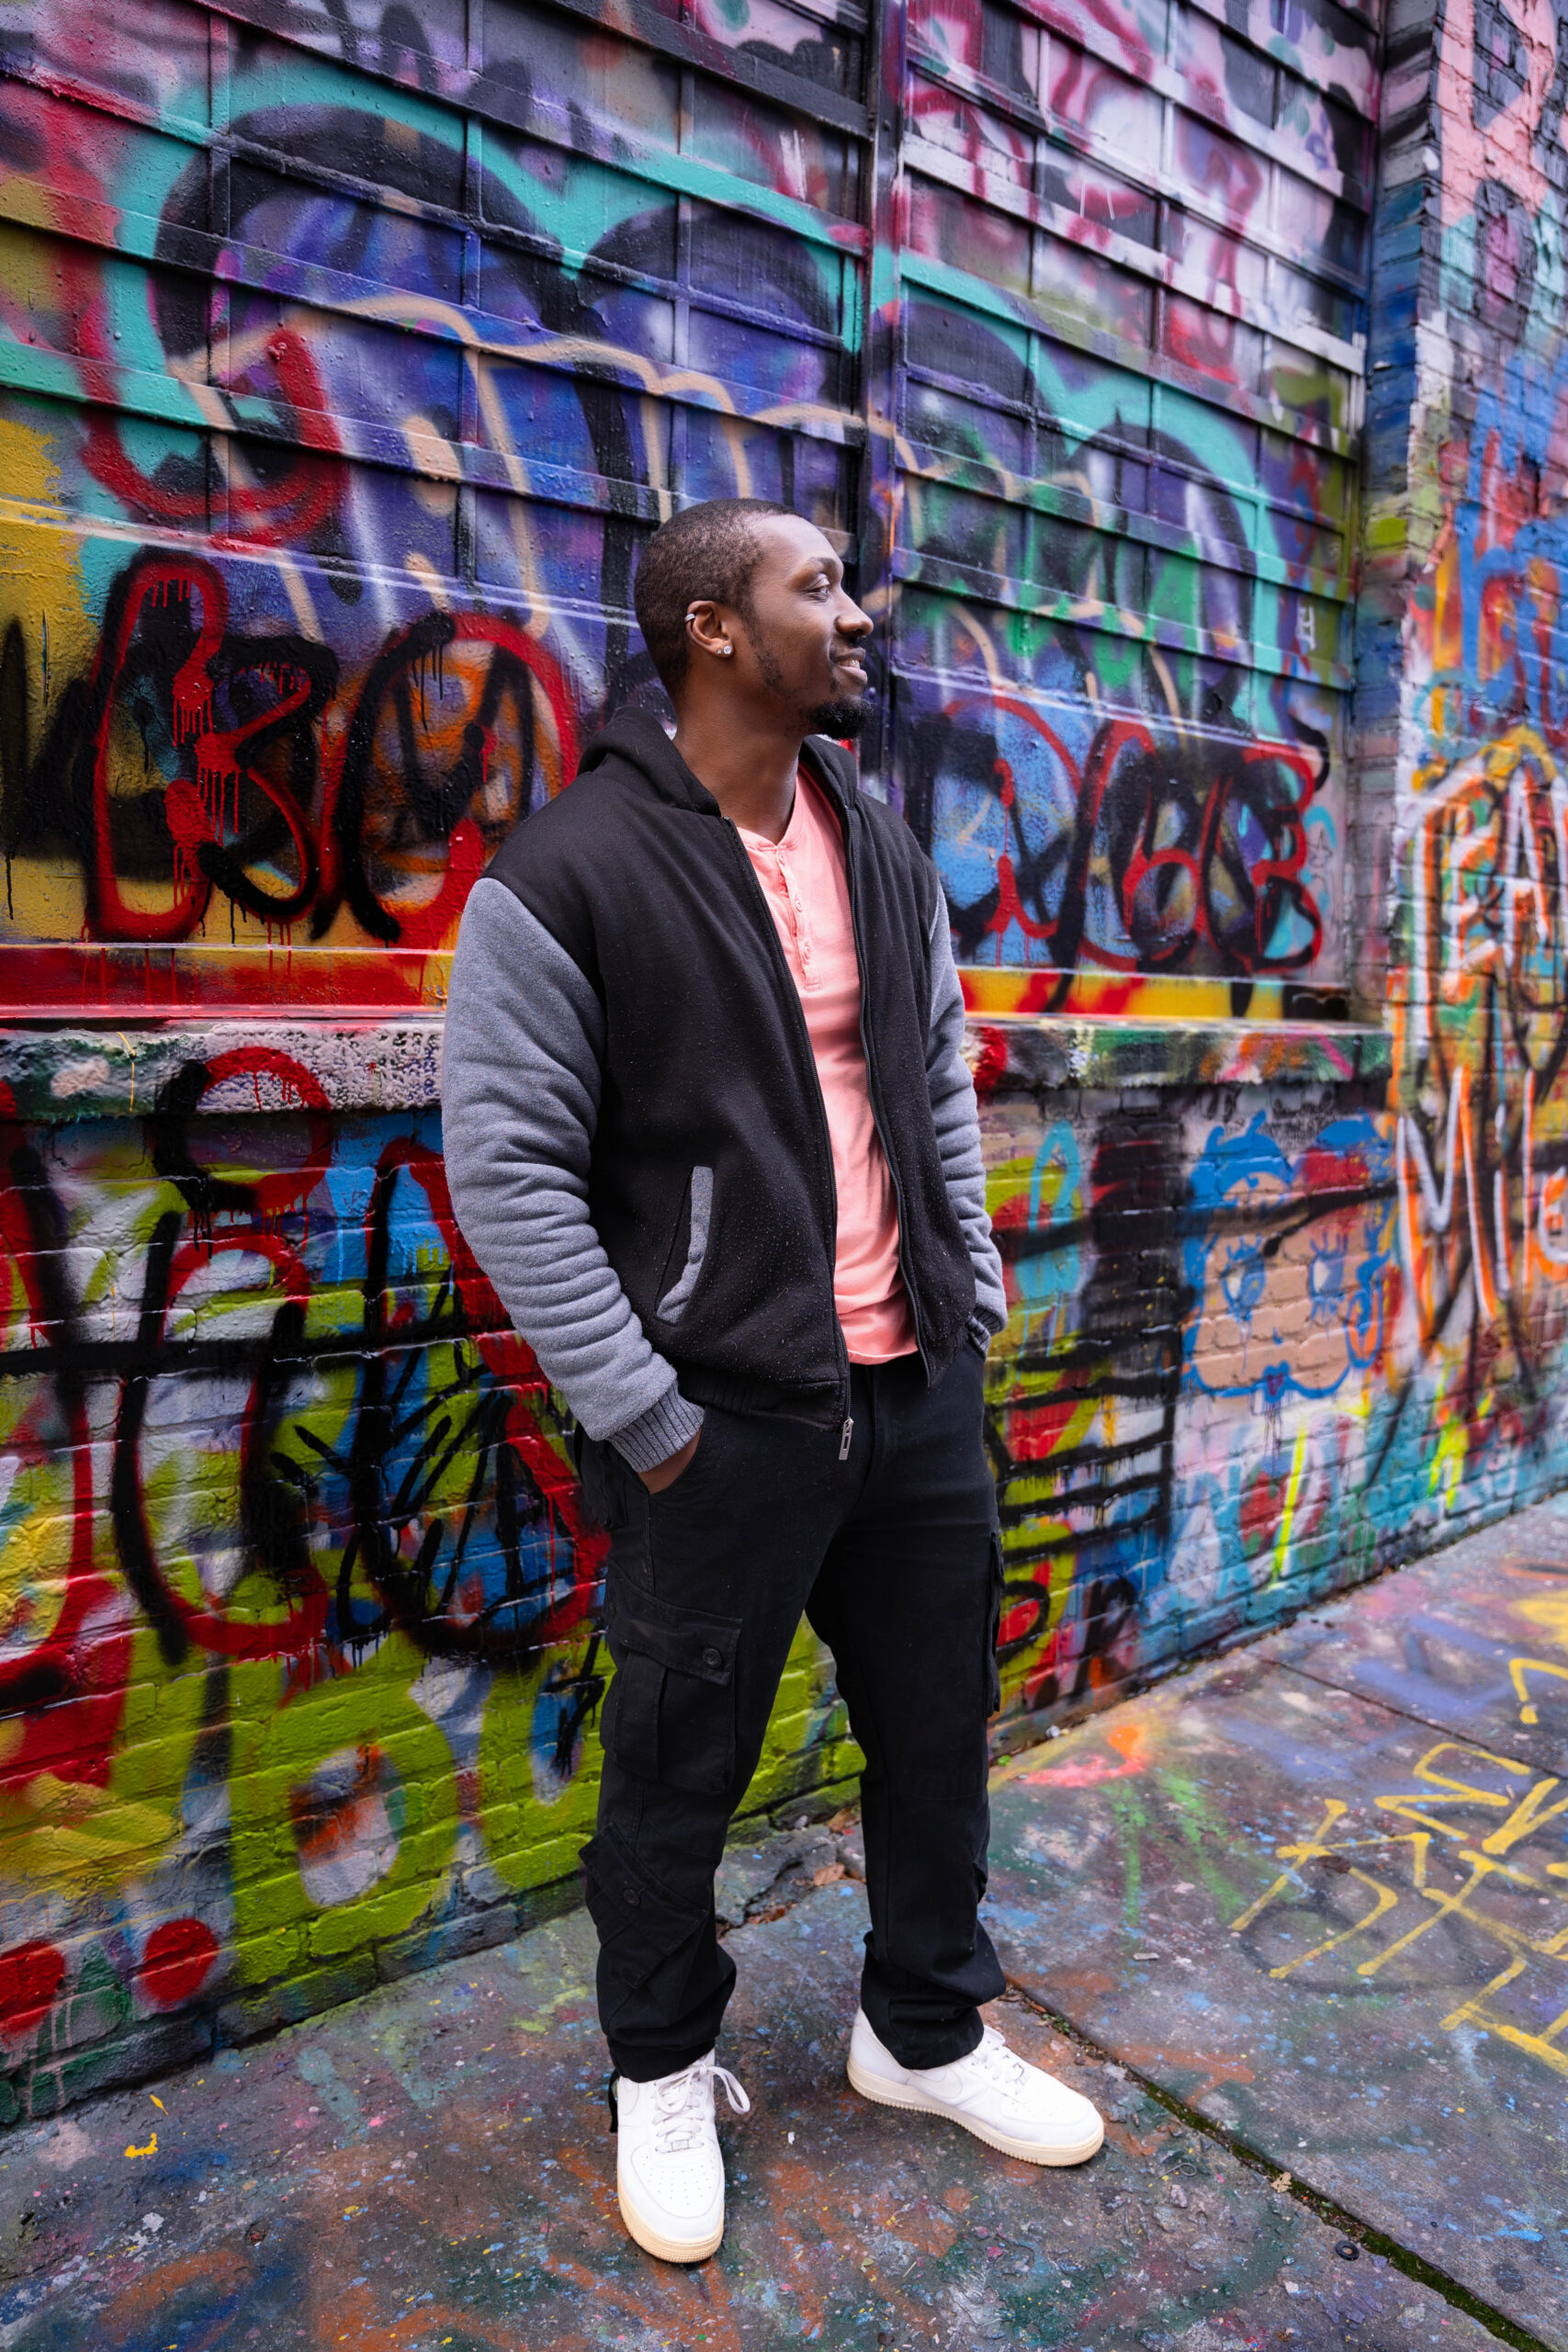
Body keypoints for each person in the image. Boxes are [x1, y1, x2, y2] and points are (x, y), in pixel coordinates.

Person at [442, 497, 1103, 2265]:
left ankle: (926, 2028)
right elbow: (505, 1172)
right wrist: (643, 1414)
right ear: (714, 630)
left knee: (936, 1737)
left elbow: (938, 1072)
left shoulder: (877, 844)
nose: (859, 613)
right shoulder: (567, 873)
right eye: (818, 586)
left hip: (911, 1395)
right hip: (714, 1422)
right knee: (675, 1767)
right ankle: (658, 2068)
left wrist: (957, 1300)